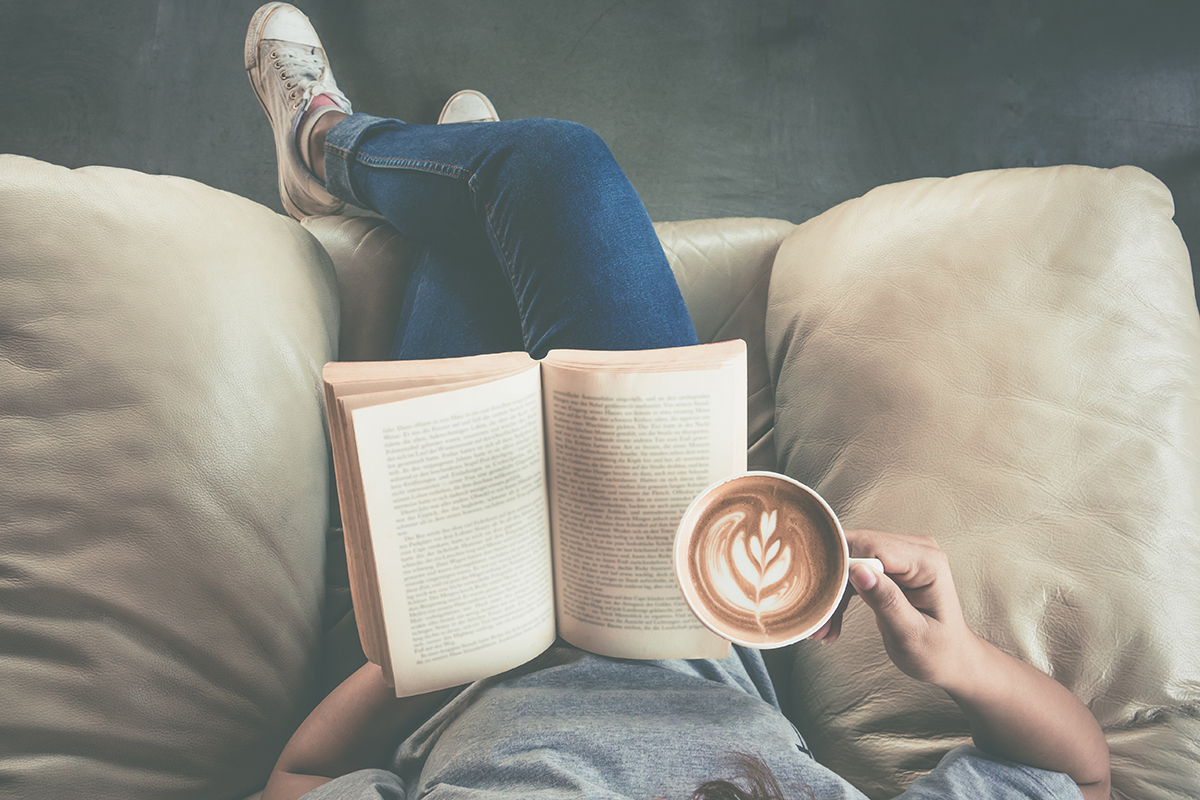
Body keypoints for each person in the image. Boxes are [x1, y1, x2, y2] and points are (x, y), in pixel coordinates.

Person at [245, 4, 1111, 799]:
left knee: (485, 222)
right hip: (687, 584)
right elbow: (1081, 776)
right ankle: (390, 157)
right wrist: (957, 660)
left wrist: (429, 653)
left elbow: (302, 775)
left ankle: (343, 147)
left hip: (460, 633)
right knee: (556, 165)